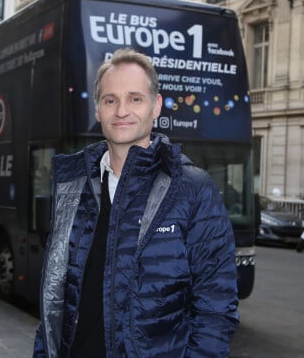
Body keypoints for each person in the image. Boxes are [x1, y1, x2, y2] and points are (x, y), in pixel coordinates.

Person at [33, 47, 239, 357]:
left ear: (156, 106)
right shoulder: (73, 187)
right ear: (98, 110)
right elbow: (54, 304)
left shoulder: (192, 189)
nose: (121, 111)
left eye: (135, 99)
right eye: (111, 100)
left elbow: (216, 310)